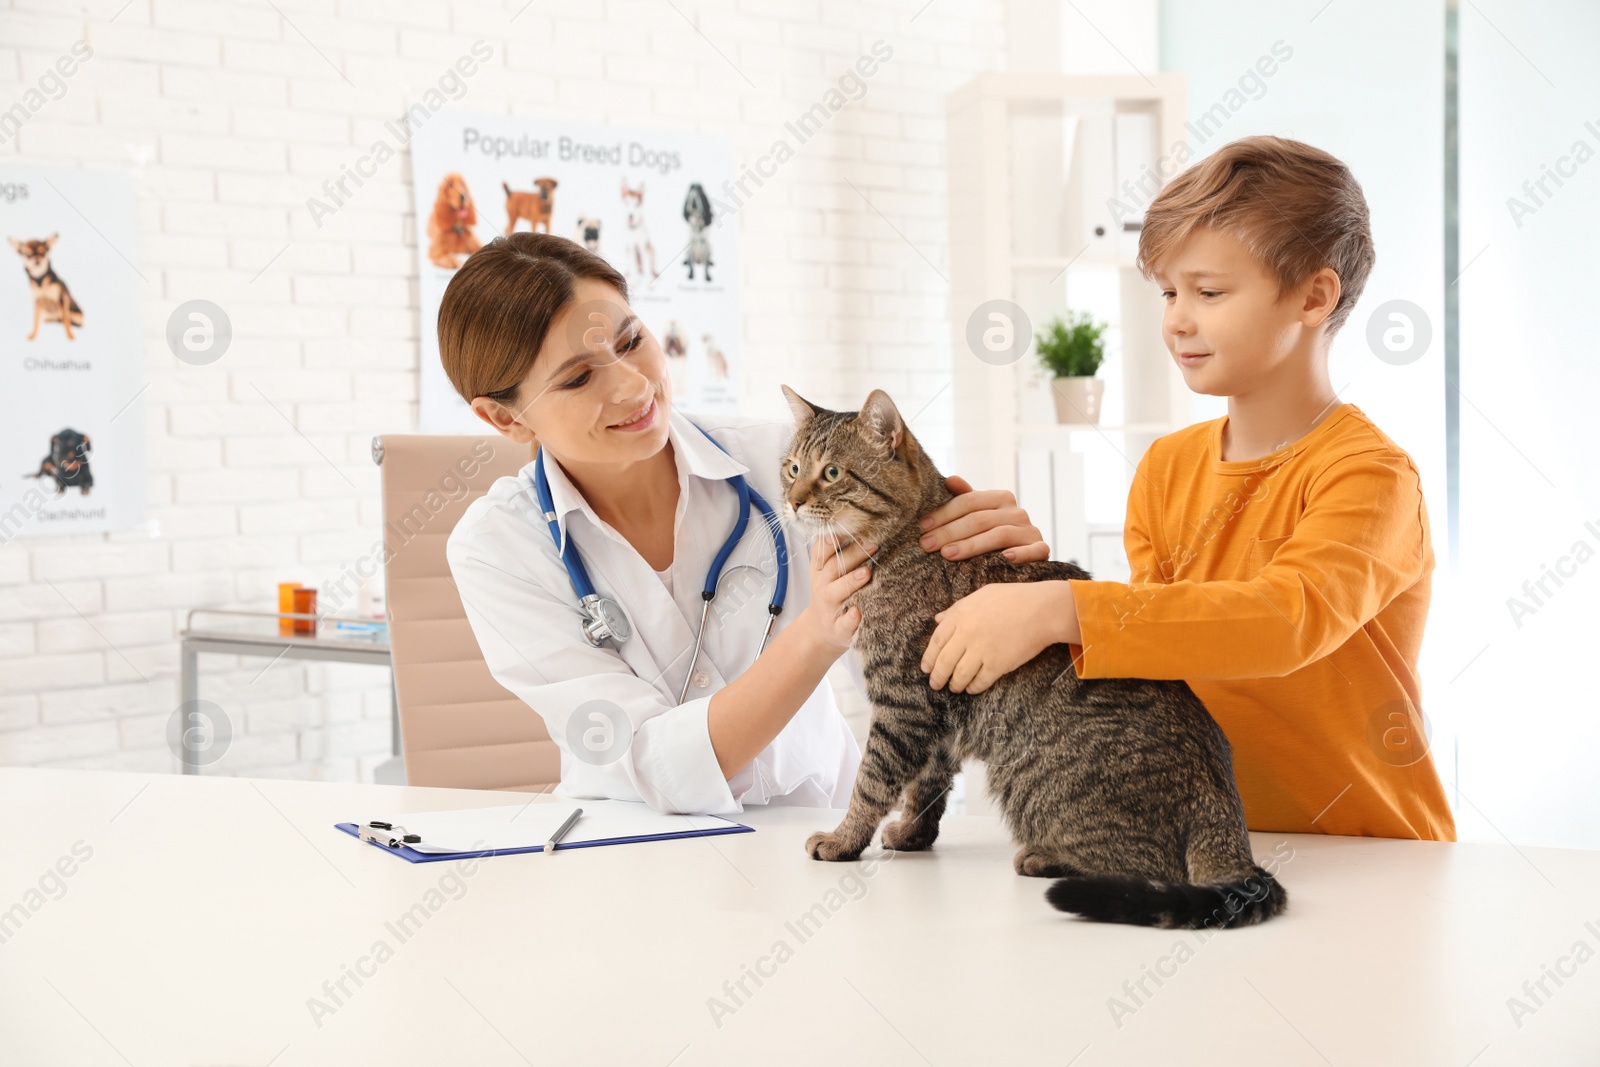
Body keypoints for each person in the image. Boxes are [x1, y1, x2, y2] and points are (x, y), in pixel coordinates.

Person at [921, 135, 1457, 841]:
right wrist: (1018, 578)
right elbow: (1170, 647)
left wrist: (1061, 606)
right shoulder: (1168, 468)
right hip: (1216, 848)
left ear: (1314, 296)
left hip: (1371, 853)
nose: (1176, 318)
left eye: (1208, 291)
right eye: (1169, 291)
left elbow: (1284, 621)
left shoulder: (1369, 475)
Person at [440, 233, 1049, 816]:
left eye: (630, 341)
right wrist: (814, 636)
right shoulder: (497, 547)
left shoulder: (788, 466)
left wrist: (993, 571)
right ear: (504, 417)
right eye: (578, 378)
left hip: (819, 841)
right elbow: (651, 761)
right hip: (628, 854)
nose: (633, 385)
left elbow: (934, 636)